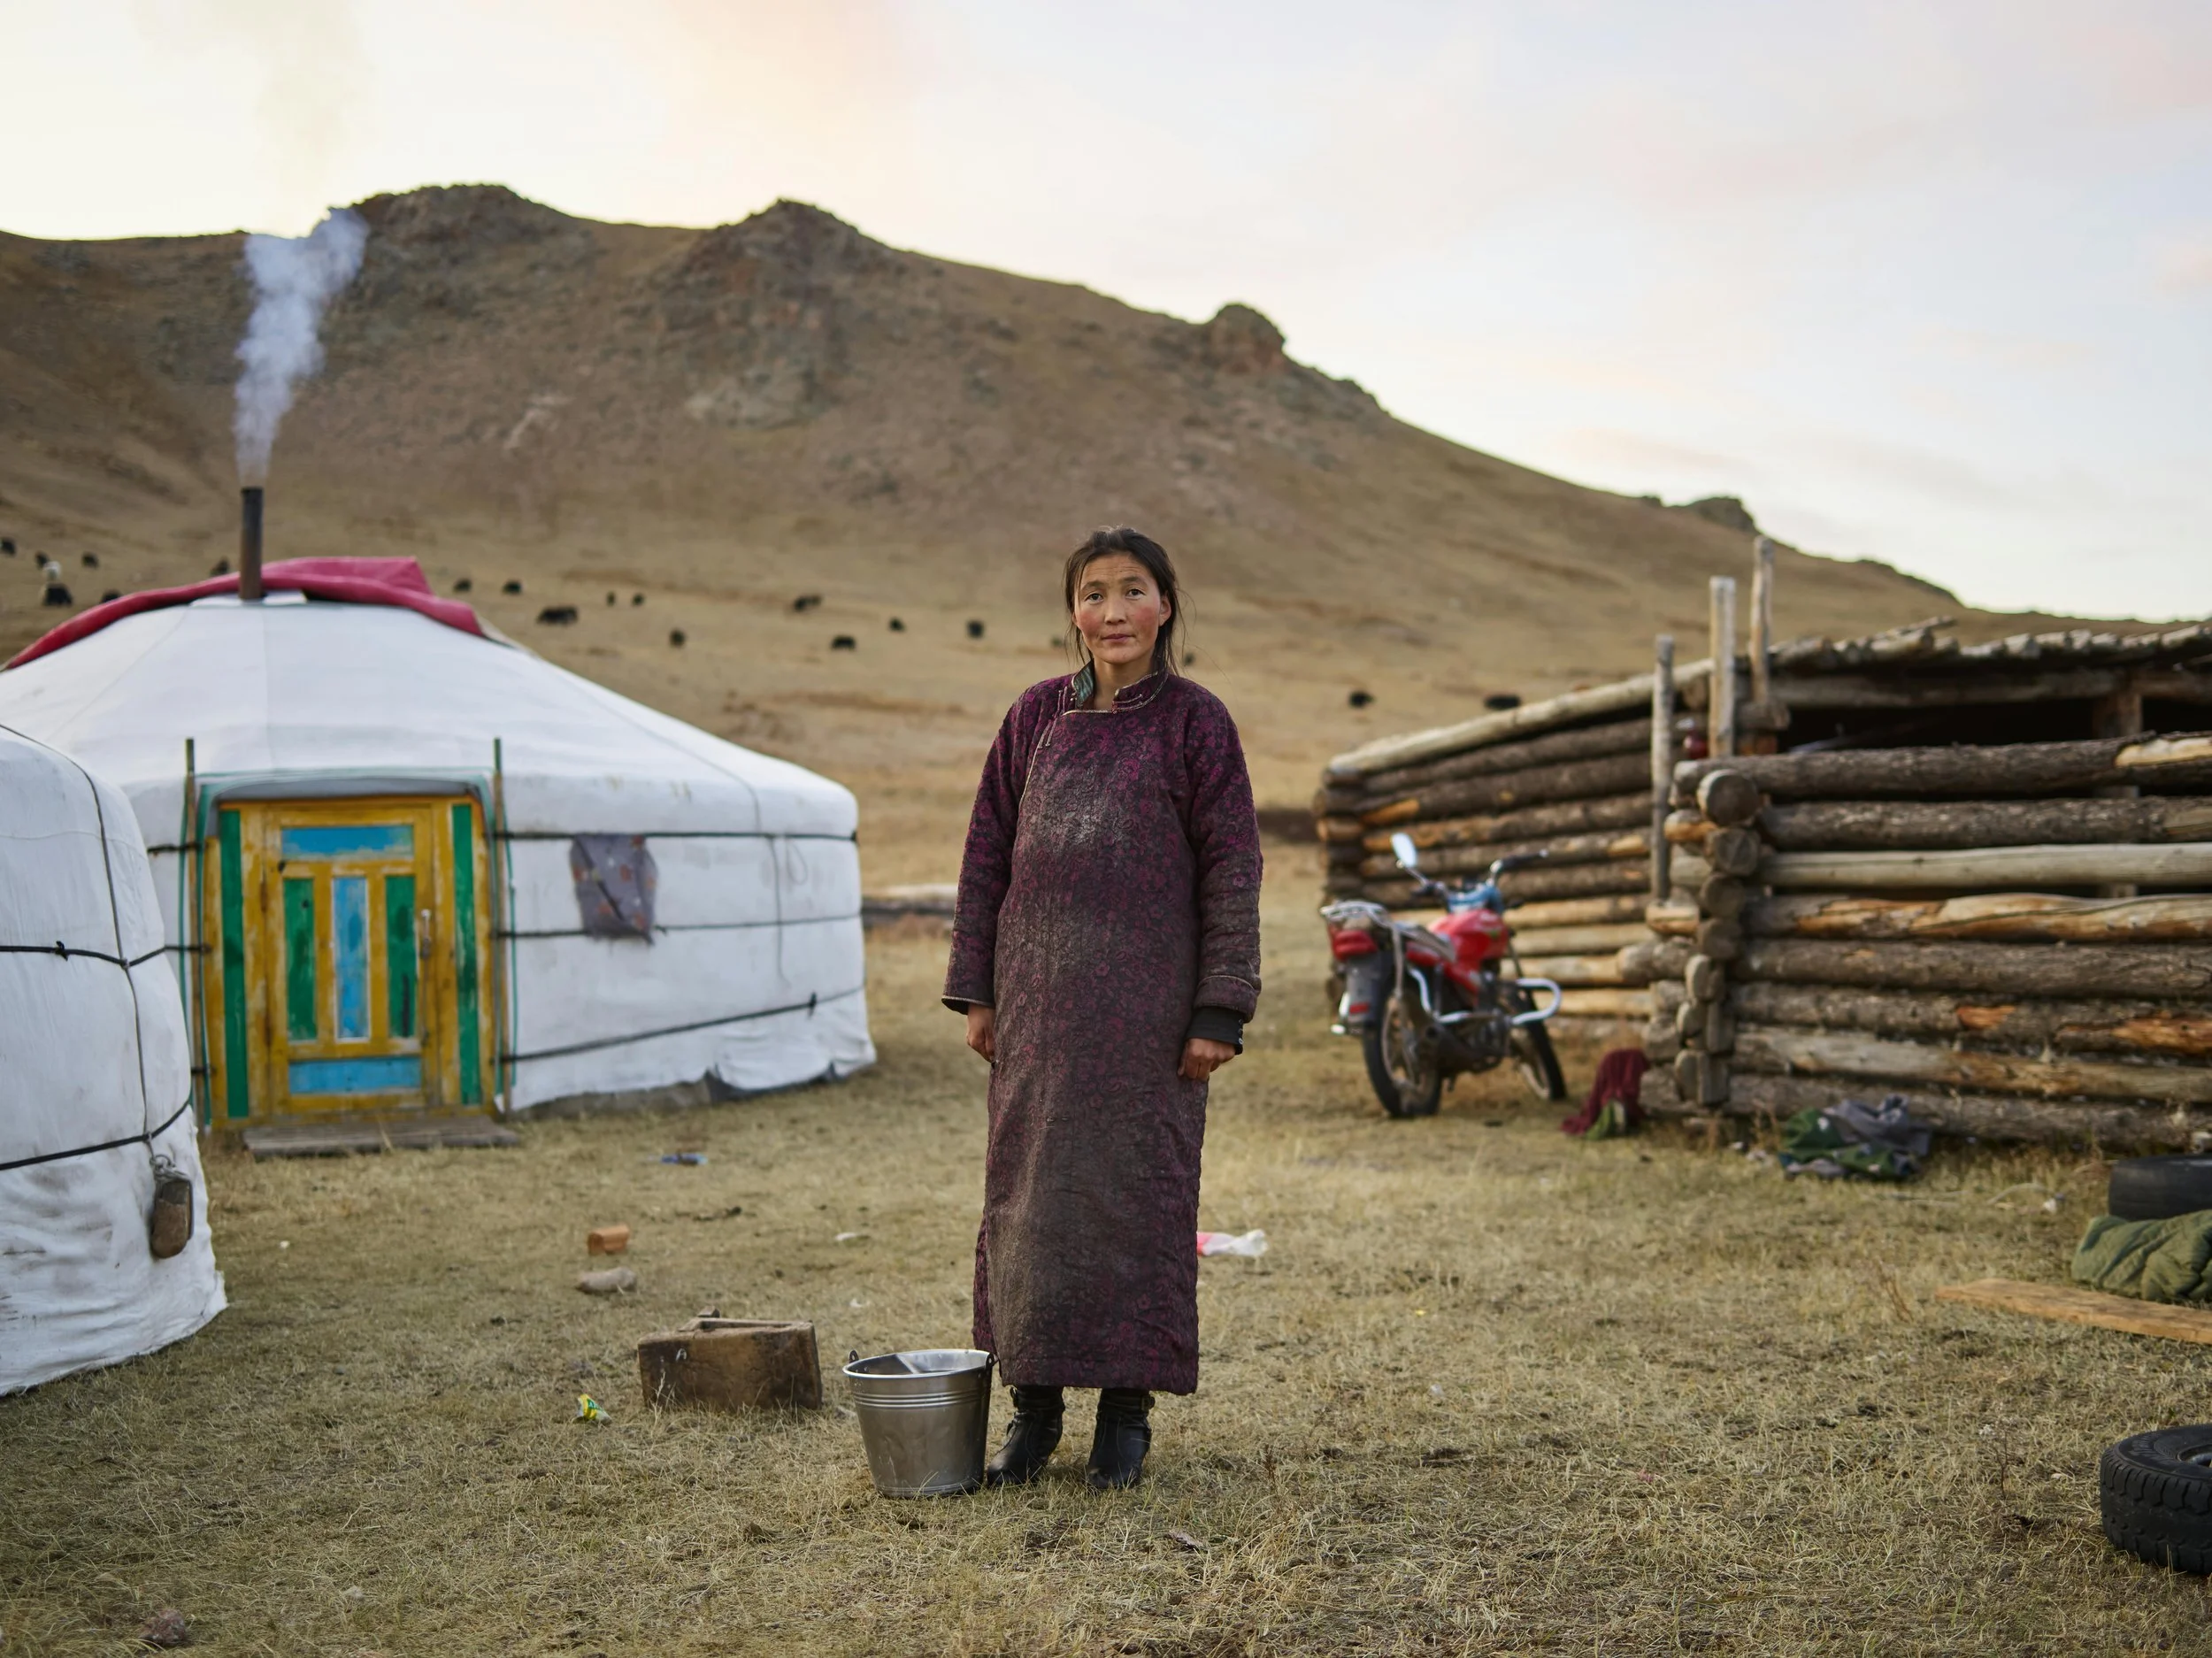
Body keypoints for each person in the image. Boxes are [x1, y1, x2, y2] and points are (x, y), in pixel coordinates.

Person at [943, 526, 1263, 1492]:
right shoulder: (1035, 716)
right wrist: (979, 988)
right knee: (1028, 1204)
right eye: (1093, 594)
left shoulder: (1195, 722)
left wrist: (1219, 1006)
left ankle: (1124, 1416)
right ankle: (1032, 1412)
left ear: (1165, 604)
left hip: (1148, 1015)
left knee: (1133, 1200)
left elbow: (1232, 868)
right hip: (1038, 1008)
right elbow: (986, 853)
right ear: (1072, 611)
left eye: (1133, 591)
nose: (1112, 611)